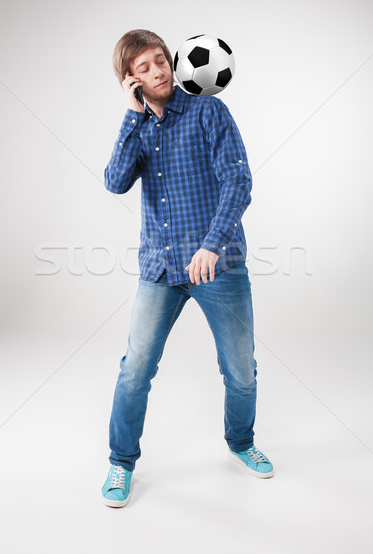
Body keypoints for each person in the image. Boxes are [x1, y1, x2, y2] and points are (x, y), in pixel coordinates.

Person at [101, 29, 274, 508]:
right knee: (135, 370)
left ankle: (240, 443)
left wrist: (211, 245)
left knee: (240, 371)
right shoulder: (139, 127)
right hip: (159, 267)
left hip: (217, 266)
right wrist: (131, 117)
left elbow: (238, 181)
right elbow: (115, 182)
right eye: (144, 68)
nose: (157, 71)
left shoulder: (208, 111)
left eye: (160, 60)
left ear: (172, 62)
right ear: (130, 80)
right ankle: (121, 462)